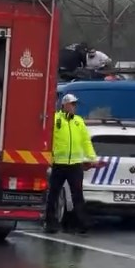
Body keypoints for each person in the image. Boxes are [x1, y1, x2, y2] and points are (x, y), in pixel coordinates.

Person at [44, 93, 96, 235]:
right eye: (72, 104)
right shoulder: (56, 119)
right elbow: (48, 138)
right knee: (54, 195)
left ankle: (81, 224)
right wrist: (48, 156)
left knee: (78, 195)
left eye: (75, 104)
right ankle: (50, 223)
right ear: (64, 105)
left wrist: (92, 157)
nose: (74, 107)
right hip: (59, 164)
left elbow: (86, 141)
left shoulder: (78, 121)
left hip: (75, 165)